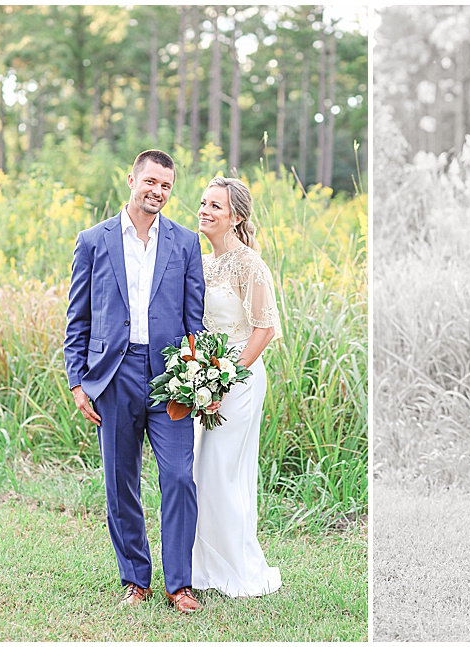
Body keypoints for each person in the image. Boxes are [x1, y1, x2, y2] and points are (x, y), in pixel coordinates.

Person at [63, 149, 205, 613]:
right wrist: (78, 383)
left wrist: (198, 378)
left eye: (165, 185)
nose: (157, 192)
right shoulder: (92, 240)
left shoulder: (185, 243)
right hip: (114, 376)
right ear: (131, 179)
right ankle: (135, 579)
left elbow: (194, 322)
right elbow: (77, 321)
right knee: (120, 481)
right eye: (150, 182)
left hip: (170, 379)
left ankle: (179, 583)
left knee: (180, 477)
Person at [192, 176, 283, 597]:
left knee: (223, 469)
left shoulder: (250, 264)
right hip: (204, 375)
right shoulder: (204, 261)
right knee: (201, 469)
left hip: (238, 380)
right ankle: (204, 568)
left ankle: (235, 570)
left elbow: (264, 331)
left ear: (236, 218)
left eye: (216, 206)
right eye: (204, 203)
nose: (205, 211)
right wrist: (198, 374)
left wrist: (226, 378)